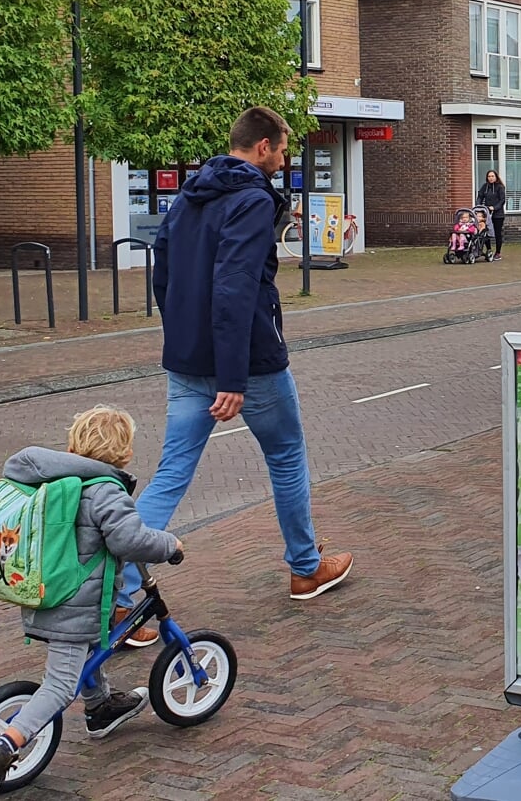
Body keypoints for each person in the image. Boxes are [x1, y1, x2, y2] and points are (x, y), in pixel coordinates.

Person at [117, 107, 352, 632]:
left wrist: (181, 339)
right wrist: (232, 378)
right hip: (248, 362)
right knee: (287, 456)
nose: (286, 159)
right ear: (263, 146)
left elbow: (166, 276)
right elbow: (235, 287)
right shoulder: (250, 200)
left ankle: (123, 597)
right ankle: (306, 569)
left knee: (173, 471)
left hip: (187, 358)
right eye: (284, 149)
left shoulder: (189, 195)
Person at [0, 406, 182, 793]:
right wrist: (170, 545)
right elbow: (130, 540)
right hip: (74, 606)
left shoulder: (58, 482)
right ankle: (2, 747)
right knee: (61, 685)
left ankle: (100, 708)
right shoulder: (105, 490)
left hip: (47, 593)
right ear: (124, 453)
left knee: (95, 647)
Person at [477, 169, 507, 261]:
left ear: (496, 177)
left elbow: (502, 200)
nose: (490, 178)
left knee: (498, 233)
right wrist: (479, 206)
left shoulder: (500, 187)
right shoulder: (485, 187)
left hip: (498, 214)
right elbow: (480, 196)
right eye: (489, 176)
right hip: (486, 213)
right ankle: (489, 250)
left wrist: (494, 207)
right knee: (485, 232)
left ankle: (498, 253)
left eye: (492, 176)